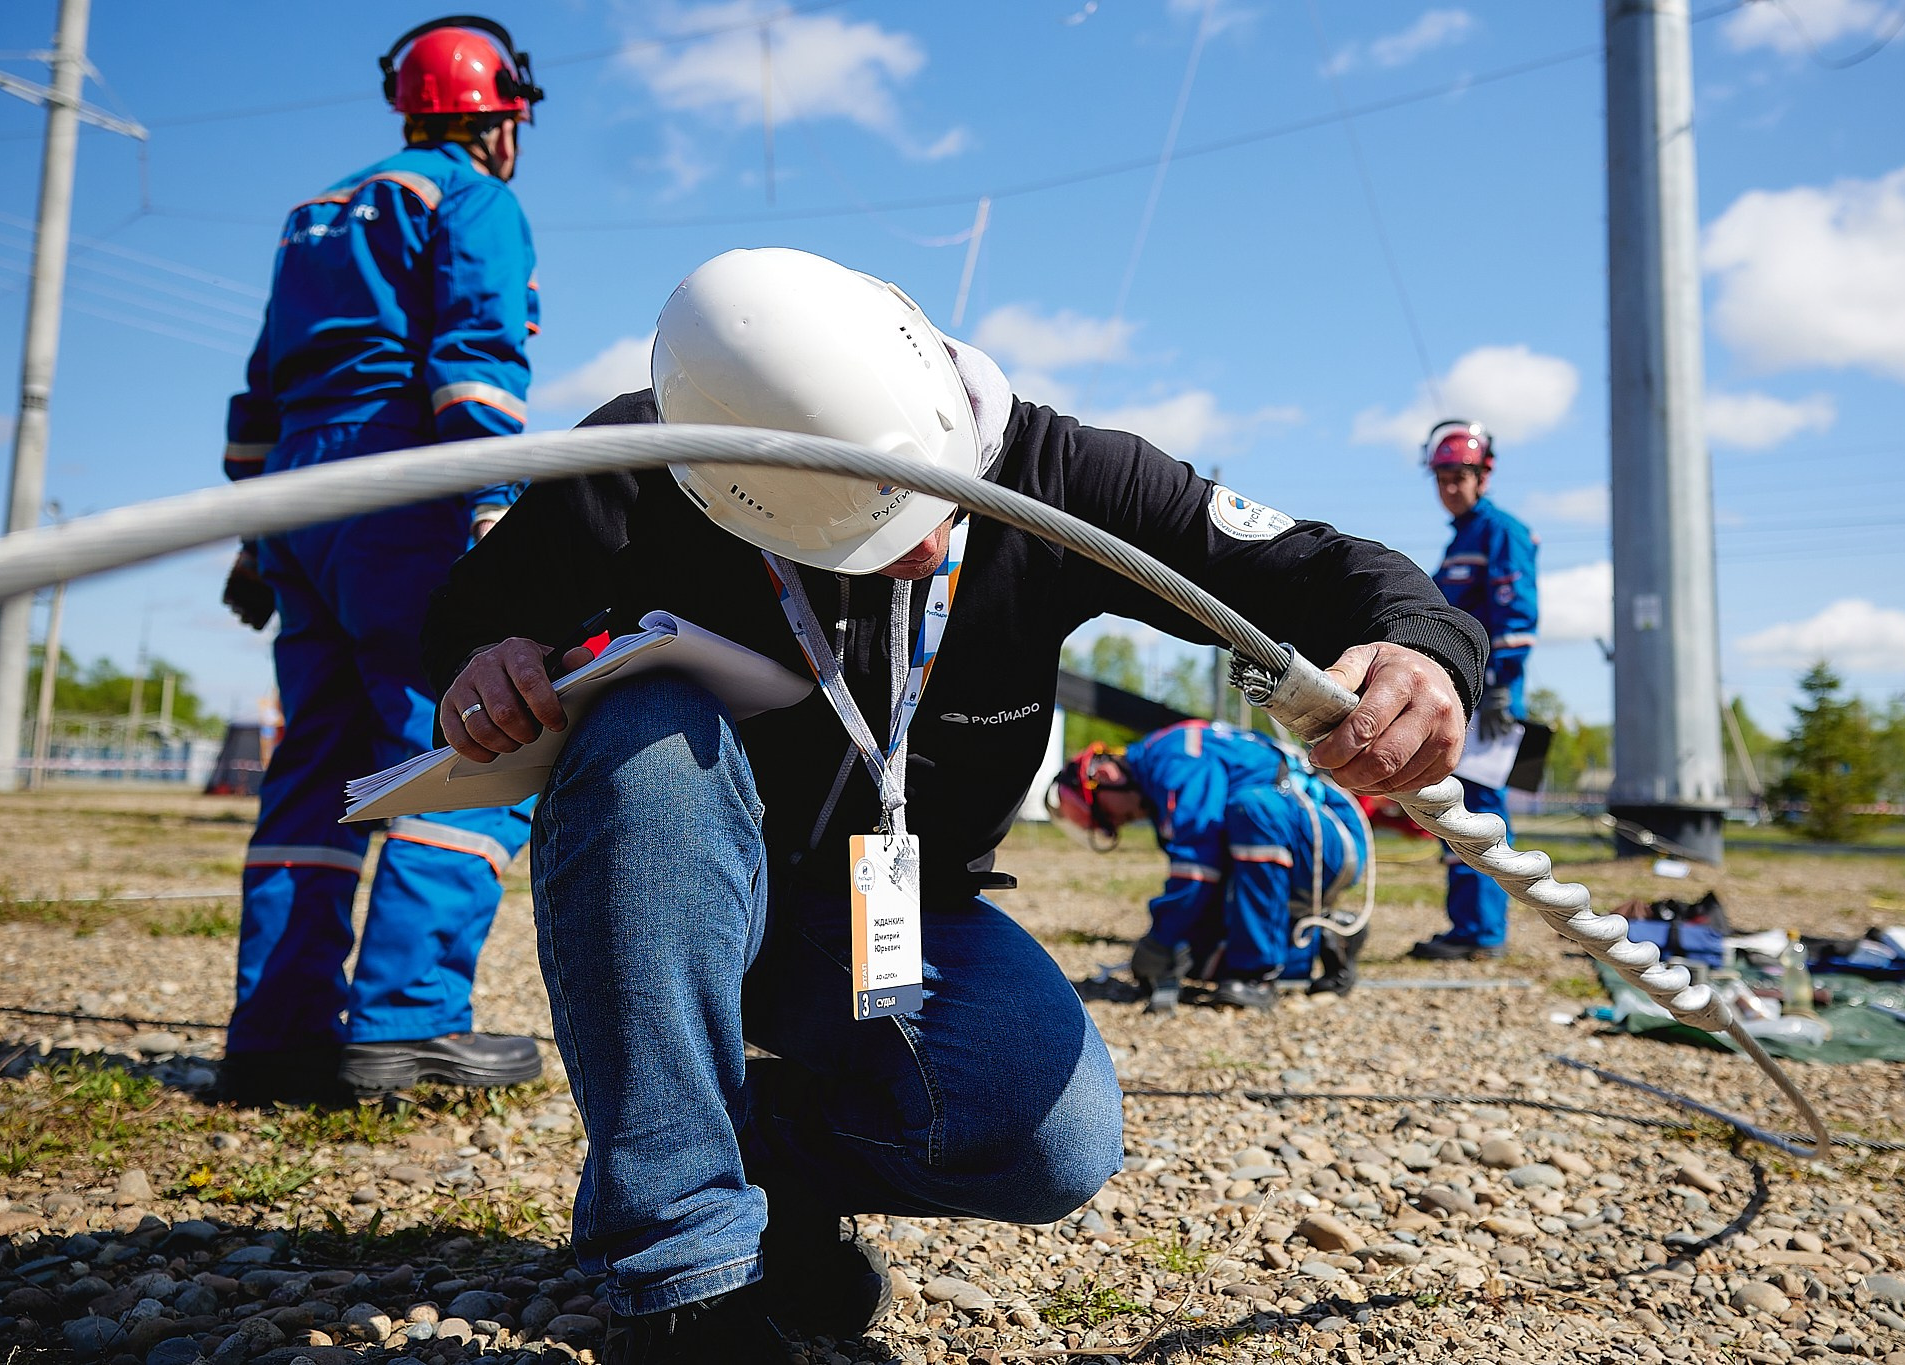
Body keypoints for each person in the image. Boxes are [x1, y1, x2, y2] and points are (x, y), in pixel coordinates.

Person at [420, 247, 1486, 1362]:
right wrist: (479, 661)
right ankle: (681, 1274)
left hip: (893, 911)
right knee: (644, 736)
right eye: (859, 540)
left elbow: (1318, 566)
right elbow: (462, 617)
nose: (924, 550)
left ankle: (753, 1170)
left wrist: (1425, 652)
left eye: (928, 503)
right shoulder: (632, 463)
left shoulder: (1064, 473)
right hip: (680, 885)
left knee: (1049, 1137)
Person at [214, 16, 549, 1104]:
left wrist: (257, 538)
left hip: (300, 505)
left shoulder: (312, 218)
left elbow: (263, 389)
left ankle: (276, 1038)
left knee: (315, 767)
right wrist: (497, 506)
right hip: (403, 491)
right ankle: (406, 1025)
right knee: (460, 744)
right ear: (496, 110)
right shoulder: (470, 199)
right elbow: (475, 365)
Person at [1051, 723, 1371, 1013]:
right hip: (1294, 838)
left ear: (1106, 776)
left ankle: (1255, 977)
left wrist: (1161, 939)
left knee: (1252, 808)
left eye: (1104, 815)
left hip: (1331, 839)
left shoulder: (1175, 760)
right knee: (1198, 958)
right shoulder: (1159, 774)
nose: (1113, 826)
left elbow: (1196, 868)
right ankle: (1326, 940)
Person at [1411, 419, 1538, 962]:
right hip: (1464, 698)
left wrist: (1504, 686)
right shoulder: (1461, 538)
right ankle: (1468, 926)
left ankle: (1483, 933)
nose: (1449, 487)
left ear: (1483, 476)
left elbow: (1517, 615)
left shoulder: (1501, 532)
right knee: (1456, 807)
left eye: (1459, 476)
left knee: (1480, 809)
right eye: (1441, 477)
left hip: (1491, 698)